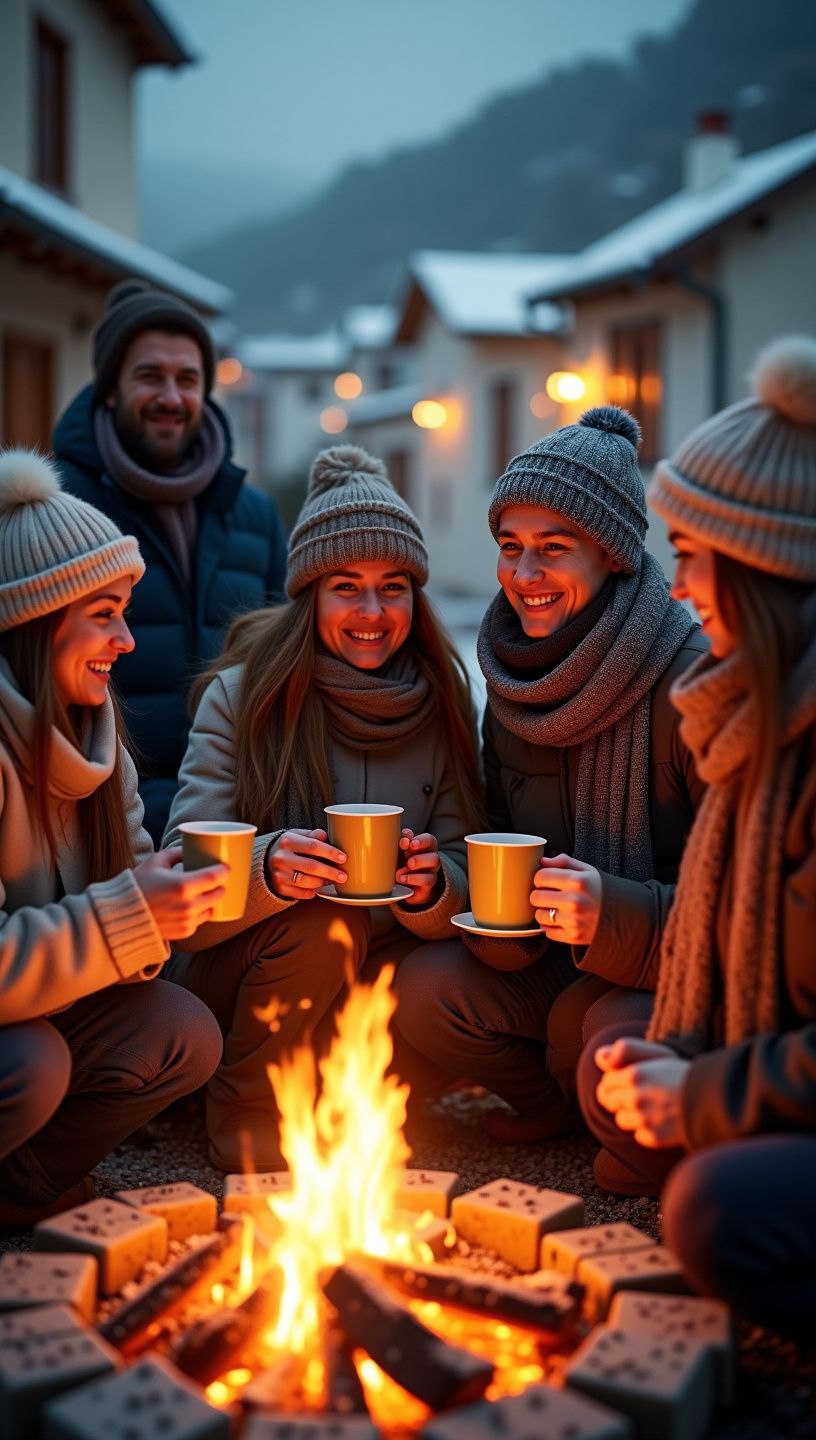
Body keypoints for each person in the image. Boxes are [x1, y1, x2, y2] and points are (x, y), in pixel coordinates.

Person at [577, 337, 816, 1338]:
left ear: (761, 572)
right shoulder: (752, 722)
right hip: (760, 1050)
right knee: (611, 1067)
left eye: (690, 560)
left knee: (708, 1209)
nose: (677, 589)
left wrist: (707, 1093)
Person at [394, 406, 706, 1164]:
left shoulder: (689, 678)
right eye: (510, 548)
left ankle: (623, 1123)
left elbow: (736, 913)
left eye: (553, 550)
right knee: (424, 989)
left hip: (670, 970)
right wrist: (446, 885)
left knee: (602, 1054)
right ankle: (554, 1106)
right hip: (557, 959)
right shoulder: (514, 682)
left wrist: (612, 914)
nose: (524, 576)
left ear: (614, 556)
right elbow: (500, 836)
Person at [163, 444, 483, 1172]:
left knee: (443, 971)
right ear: (310, 593)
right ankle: (247, 1108)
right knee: (322, 917)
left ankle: (355, 1100)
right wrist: (269, 868)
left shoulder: (443, 706)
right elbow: (183, 866)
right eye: (347, 586)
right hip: (249, 965)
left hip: (373, 972)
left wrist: (436, 886)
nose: (372, 612)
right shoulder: (243, 699)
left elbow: (468, 858)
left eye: (393, 587)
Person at [0, 449, 225, 1229]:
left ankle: (19, 1189)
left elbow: (128, 919)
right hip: (17, 1028)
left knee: (182, 1030)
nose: (127, 640)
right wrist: (129, 914)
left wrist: (162, 910)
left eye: (125, 610)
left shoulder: (100, 747)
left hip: (45, 1006)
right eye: (104, 613)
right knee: (30, 1065)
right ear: (33, 622)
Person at [52, 278, 288, 843]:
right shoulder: (61, 513)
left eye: (188, 379)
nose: (171, 396)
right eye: (149, 376)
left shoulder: (253, 514)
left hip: (241, 825)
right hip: (104, 828)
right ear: (109, 389)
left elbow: (287, 662)